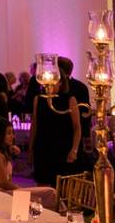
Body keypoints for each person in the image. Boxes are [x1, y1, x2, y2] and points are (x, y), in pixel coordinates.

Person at [0, 115, 57, 208]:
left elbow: (7, 172)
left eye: (13, 133)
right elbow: (2, 182)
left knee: (48, 192)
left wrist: (11, 155)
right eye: (9, 133)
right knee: (50, 192)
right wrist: (20, 189)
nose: (13, 136)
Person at [28, 58, 81, 187]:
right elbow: (34, 126)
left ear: (61, 83)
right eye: (48, 84)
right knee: (42, 184)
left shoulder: (70, 100)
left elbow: (77, 128)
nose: (50, 87)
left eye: (54, 83)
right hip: (43, 146)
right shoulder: (38, 99)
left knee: (62, 184)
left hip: (63, 146)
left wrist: (74, 149)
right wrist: (30, 148)